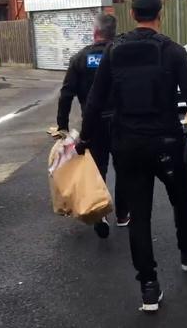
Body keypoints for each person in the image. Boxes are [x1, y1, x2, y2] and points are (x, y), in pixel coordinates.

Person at [77, 0, 187, 312]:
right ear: (159, 14)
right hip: (165, 142)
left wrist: (84, 140)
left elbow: (95, 99)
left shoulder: (114, 51)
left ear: (132, 15)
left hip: (127, 144)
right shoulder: (171, 50)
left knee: (139, 214)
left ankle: (148, 287)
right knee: (180, 198)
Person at [56, 13, 129, 239]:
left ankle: (100, 212)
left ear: (95, 32)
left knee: (97, 170)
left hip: (92, 124)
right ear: (113, 32)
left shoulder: (79, 58)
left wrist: (63, 127)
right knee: (124, 169)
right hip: (120, 121)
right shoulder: (122, 55)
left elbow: (66, 94)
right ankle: (123, 215)